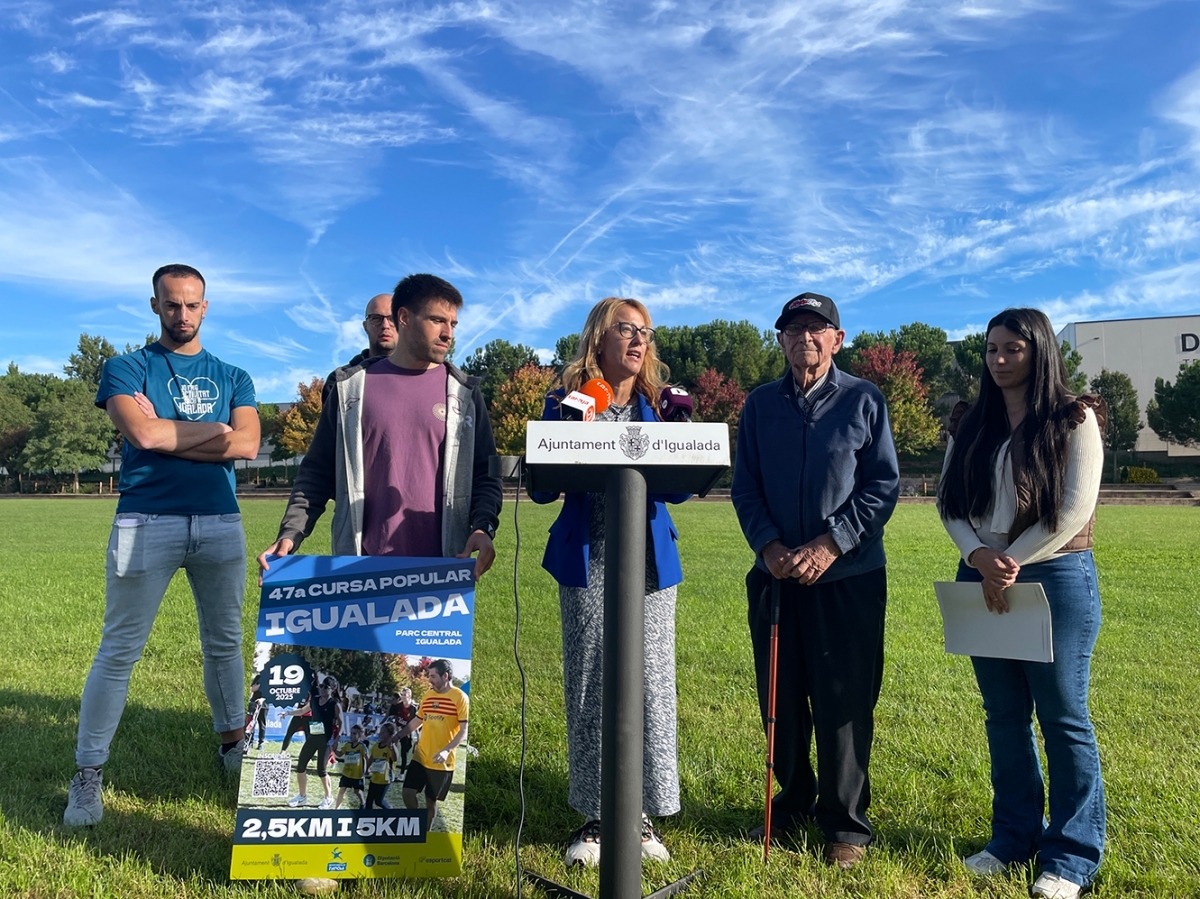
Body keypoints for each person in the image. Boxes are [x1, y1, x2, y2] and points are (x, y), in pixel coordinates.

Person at [63, 263, 261, 828]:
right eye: (171, 304)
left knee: (224, 644)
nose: (182, 314)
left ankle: (231, 747)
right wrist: (215, 435)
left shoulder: (234, 376)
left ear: (206, 306)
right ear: (154, 305)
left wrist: (183, 434)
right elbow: (143, 435)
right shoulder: (126, 367)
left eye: (192, 304)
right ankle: (88, 775)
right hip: (145, 521)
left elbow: (246, 444)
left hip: (221, 522)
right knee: (119, 650)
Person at [937, 308, 1106, 899]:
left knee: (1063, 719)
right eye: (991, 350)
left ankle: (1072, 855)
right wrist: (980, 558)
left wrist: (1010, 563)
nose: (1000, 360)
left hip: (1054, 576)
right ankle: (1012, 838)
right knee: (1004, 717)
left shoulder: (1074, 417)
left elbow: (1072, 511)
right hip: (980, 573)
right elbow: (950, 503)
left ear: (1039, 352)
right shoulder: (971, 421)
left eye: (1013, 349)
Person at [731, 291, 899, 869]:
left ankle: (846, 825)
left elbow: (881, 487)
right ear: (779, 339)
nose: (805, 336)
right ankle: (795, 798)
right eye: (794, 328)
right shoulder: (758, 405)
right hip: (775, 576)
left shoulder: (863, 399)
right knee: (779, 697)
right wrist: (770, 547)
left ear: (838, 338)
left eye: (816, 327)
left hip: (847, 577)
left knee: (844, 701)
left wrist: (832, 544)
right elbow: (745, 486)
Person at [531, 296, 686, 867]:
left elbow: (680, 488)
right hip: (589, 563)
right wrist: (572, 421)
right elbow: (543, 487)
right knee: (592, 683)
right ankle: (597, 816)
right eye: (626, 329)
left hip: (648, 565)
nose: (638, 339)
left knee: (651, 684)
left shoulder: (662, 406)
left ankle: (642, 813)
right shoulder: (569, 401)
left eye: (645, 331)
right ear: (599, 337)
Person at [257, 273, 501, 580]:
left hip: (444, 568)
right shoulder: (350, 389)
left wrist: (483, 526)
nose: (447, 333)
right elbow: (317, 472)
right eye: (437, 320)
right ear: (404, 318)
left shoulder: (464, 393)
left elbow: (485, 473)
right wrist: (291, 533)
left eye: (453, 324)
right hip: (361, 567)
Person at [397, 660, 468, 830]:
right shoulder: (428, 695)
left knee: (430, 801)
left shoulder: (460, 698)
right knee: (407, 793)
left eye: (433, 676)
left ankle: (425, 833)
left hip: (441, 762)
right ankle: (416, 823)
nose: (430, 680)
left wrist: (446, 750)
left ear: (445, 676)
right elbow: (418, 720)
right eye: (429, 676)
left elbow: (464, 731)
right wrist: (398, 735)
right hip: (421, 756)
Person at [321, 293, 398, 405]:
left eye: (392, 318)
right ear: (365, 326)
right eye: (376, 318)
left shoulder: (423, 375)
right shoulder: (340, 381)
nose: (385, 325)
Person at [285, 676, 345, 810]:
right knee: (300, 766)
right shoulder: (315, 700)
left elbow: (341, 723)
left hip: (326, 740)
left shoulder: (335, 704)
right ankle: (302, 796)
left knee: (321, 770)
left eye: (325, 687)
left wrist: (336, 740)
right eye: (322, 685)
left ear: (333, 689)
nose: (322, 688)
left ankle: (328, 797)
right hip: (313, 737)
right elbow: (302, 711)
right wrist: (288, 713)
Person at [365, 722, 400, 809]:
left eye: (384, 732)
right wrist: (367, 769)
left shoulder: (391, 748)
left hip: (385, 779)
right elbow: (371, 759)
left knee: (378, 801)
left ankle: (390, 809)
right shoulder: (376, 746)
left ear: (390, 735)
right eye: (381, 731)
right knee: (369, 801)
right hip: (375, 778)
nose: (381, 733)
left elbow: (395, 759)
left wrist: (392, 748)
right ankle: (366, 818)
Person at [334, 724, 369, 810]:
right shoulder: (347, 745)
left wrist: (368, 768)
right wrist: (334, 749)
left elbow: (367, 758)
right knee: (342, 789)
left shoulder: (361, 746)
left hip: (357, 775)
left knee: (357, 791)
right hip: (346, 773)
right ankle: (336, 808)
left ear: (360, 735)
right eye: (351, 733)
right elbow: (340, 754)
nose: (351, 735)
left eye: (354, 734)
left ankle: (363, 802)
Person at [388, 687, 419, 772]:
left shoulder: (413, 709)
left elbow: (415, 722)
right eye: (402, 694)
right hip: (397, 731)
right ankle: (390, 769)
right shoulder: (398, 706)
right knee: (391, 748)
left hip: (406, 733)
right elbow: (395, 717)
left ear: (409, 696)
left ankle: (402, 773)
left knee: (404, 751)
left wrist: (417, 736)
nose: (403, 696)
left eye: (404, 694)